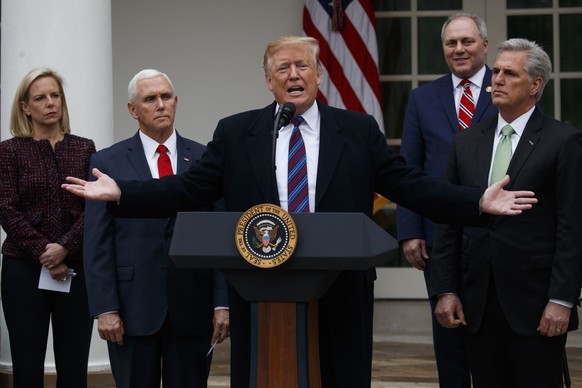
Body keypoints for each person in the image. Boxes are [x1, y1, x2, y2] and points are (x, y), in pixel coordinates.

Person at [62, 36, 537, 388]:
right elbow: (190, 188)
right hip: (260, 284)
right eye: (283, 68)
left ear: (318, 74)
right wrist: (123, 193)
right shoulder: (237, 132)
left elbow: (410, 185)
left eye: (303, 66)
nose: (294, 75)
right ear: (269, 81)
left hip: (340, 285)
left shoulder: (355, 129)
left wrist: (476, 202)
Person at [430, 38, 582, 388]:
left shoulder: (563, 141)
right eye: (495, 72)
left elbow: (572, 226)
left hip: (536, 304)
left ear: (535, 84)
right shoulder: (466, 142)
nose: (495, 79)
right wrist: (446, 290)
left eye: (509, 73)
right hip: (477, 304)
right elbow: (449, 223)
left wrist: (562, 299)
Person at [82, 69, 230, 388]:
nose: (160, 104)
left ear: (176, 102)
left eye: (166, 97)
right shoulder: (107, 162)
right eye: (150, 99)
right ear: (133, 110)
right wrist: (105, 307)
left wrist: (222, 302)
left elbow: (218, 234)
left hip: (193, 306)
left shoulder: (205, 158)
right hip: (132, 308)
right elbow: (97, 241)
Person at [396, 12, 497, 387]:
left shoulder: (506, 88)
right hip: (440, 235)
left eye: (467, 41)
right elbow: (409, 169)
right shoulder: (423, 98)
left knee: (494, 335)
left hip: (498, 231)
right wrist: (409, 229)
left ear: (485, 46)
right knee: (449, 336)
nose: (459, 49)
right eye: (451, 43)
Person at [0, 68, 95, 387]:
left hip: (76, 267)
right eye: (40, 98)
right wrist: (44, 251)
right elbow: (6, 208)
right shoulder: (10, 150)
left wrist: (65, 247)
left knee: (74, 361)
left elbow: (94, 205)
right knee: (27, 363)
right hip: (23, 269)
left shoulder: (83, 148)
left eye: (55, 95)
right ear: (25, 106)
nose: (50, 103)